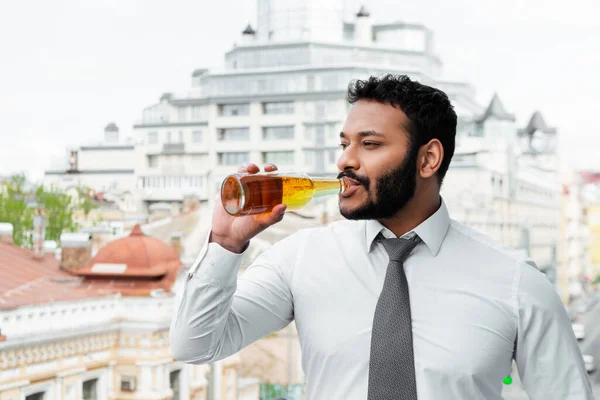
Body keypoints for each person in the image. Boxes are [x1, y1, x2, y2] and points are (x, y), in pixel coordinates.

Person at [170, 74, 593, 399]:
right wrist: (225, 245)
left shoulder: (517, 281)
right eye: (344, 143)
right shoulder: (299, 258)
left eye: (369, 144)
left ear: (428, 159)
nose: (345, 160)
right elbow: (195, 344)